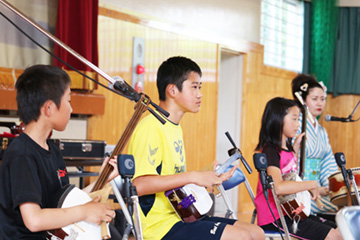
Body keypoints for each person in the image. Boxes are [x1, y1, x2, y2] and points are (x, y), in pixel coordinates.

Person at [128, 56, 264, 240]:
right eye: (194, 87)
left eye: (200, 87)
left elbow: (172, 180)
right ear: (172, 90)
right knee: (242, 237)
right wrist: (193, 176)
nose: (200, 94)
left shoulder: (174, 127)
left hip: (183, 215)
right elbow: (139, 185)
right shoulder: (150, 128)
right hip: (159, 227)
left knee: (256, 233)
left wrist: (209, 177)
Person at [0, 65, 119, 239]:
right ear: (49, 108)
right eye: (68, 101)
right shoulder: (22, 155)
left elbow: (63, 204)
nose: (71, 109)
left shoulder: (52, 150)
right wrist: (85, 211)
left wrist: (103, 179)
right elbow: (34, 220)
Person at [254, 97, 342, 240]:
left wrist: (294, 149)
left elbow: (288, 172)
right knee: (334, 236)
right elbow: (278, 187)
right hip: (276, 218)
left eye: (298, 119)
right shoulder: (270, 150)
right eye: (294, 119)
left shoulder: (286, 149)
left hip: (291, 212)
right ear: (278, 119)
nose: (298, 124)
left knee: (339, 229)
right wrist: (311, 184)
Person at [291, 74, 338, 220]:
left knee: (347, 202)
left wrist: (334, 185)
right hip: (300, 189)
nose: (320, 104)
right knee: (343, 209)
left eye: (322, 99)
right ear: (303, 100)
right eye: (314, 99)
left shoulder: (322, 131)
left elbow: (328, 163)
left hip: (319, 190)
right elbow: (291, 162)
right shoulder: (295, 126)